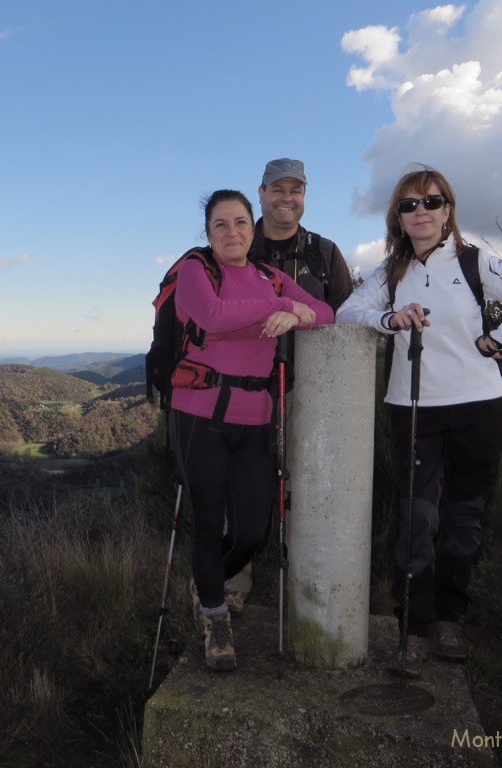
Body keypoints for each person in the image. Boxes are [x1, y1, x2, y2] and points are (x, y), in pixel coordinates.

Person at [336, 165, 502, 677]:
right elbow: (346, 313)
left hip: (480, 407)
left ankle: (450, 619)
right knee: (419, 520)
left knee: (463, 520)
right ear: (397, 216)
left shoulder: (475, 262)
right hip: (412, 408)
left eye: (431, 202)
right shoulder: (387, 272)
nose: (420, 212)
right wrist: (388, 319)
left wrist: (501, 337)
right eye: (408, 205)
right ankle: (414, 630)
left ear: (448, 210)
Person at [170, 189, 334, 671]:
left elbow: (326, 313)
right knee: (206, 522)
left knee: (251, 531)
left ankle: (207, 585)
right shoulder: (197, 270)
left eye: (240, 222)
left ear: (252, 225)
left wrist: (300, 311)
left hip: (256, 418)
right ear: (208, 232)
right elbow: (213, 317)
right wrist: (278, 308)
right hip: (199, 415)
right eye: (221, 224)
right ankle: (215, 620)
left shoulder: (270, 276)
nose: (232, 232)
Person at [222, 158, 355, 616]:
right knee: (239, 486)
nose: (286, 197)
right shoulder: (237, 244)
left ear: (304, 195)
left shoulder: (325, 253)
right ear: (260, 194)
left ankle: (307, 583)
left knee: (308, 488)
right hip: (246, 388)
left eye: (294, 189)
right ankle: (233, 582)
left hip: (311, 391)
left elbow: (346, 319)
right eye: (276, 189)